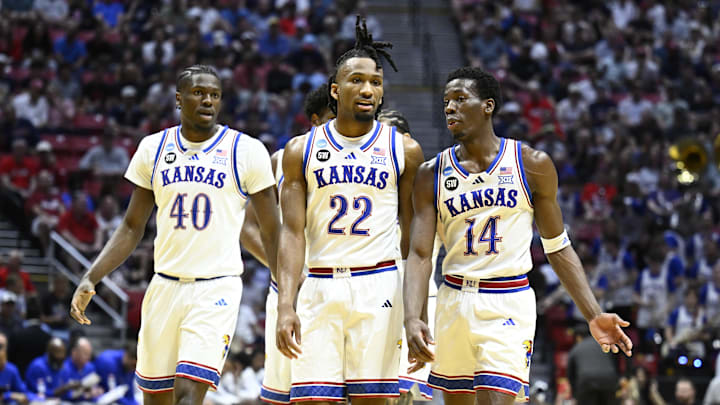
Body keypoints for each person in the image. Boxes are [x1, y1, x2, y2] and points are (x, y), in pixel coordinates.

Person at [403, 67, 632, 405]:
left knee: (497, 400)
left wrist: (593, 313)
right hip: (453, 301)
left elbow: (558, 247)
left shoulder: (531, 164)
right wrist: (413, 317)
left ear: (488, 106)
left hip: (507, 300)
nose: (450, 108)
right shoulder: (430, 174)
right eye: (446, 102)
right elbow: (421, 255)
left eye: (460, 99)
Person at [69, 64, 281, 405]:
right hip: (164, 286)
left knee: (188, 396)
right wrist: (91, 276)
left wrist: (287, 285)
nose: (208, 101)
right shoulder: (153, 148)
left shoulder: (247, 151)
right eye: (198, 93)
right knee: (156, 398)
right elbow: (131, 226)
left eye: (214, 95)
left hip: (216, 287)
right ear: (179, 99)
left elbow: (271, 230)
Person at [276, 16, 424, 403]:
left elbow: (412, 237)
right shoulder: (300, 150)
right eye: (356, 80)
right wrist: (285, 304)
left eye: (375, 82)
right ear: (335, 89)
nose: (367, 89)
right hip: (320, 284)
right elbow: (291, 233)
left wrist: (414, 312)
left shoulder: (404, 150)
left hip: (380, 285)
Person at [258, 83, 334, 405]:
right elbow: (249, 227)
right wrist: (285, 271)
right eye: (333, 117)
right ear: (315, 120)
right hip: (288, 289)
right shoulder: (280, 160)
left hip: (335, 284)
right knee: (282, 394)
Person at [378, 109, 435, 403]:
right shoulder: (374, 188)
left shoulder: (427, 186)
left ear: (408, 141)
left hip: (414, 292)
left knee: (402, 394)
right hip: (375, 291)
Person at [567, 324, 619, 405]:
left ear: (578, 337)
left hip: (586, 382)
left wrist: (575, 394)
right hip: (608, 380)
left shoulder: (576, 348)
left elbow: (570, 374)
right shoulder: (603, 344)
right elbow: (615, 361)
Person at [0, 332, 34, 405]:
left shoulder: (11, 369)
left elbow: (23, 391)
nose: (1, 351)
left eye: (2, 347)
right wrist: (9, 395)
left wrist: (40, 399)